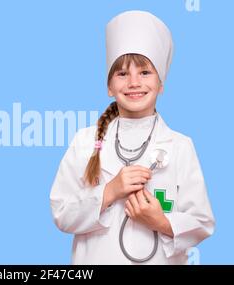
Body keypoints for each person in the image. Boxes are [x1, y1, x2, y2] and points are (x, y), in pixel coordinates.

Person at [50, 10, 215, 264]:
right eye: (122, 74)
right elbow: (61, 212)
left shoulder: (180, 147)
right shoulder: (85, 142)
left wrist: (161, 221)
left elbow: (202, 222)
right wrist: (109, 192)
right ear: (109, 86)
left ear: (161, 83)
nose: (134, 82)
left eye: (145, 73)